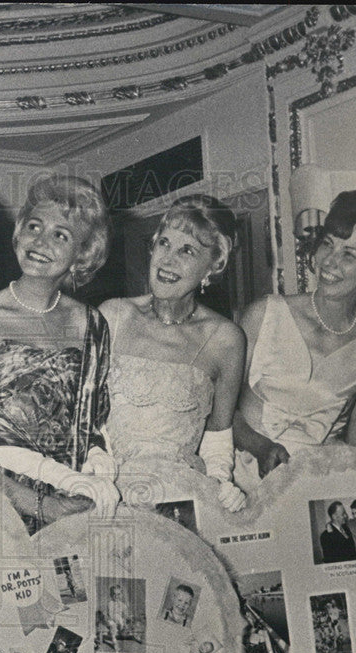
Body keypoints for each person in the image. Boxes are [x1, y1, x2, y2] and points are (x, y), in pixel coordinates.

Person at [0, 173, 120, 533]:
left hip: (75, 506)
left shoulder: (90, 323)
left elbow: (93, 422)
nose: (40, 241)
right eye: (34, 226)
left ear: (83, 252)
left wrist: (97, 460)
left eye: (61, 235)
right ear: (18, 232)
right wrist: (45, 504)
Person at [233, 189, 356, 486]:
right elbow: (217, 409)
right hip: (245, 472)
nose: (330, 262)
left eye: (349, 255)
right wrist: (260, 446)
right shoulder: (263, 314)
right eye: (327, 244)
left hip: (319, 486)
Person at [101, 194, 247, 513]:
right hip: (106, 495)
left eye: (187, 251)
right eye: (164, 243)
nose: (168, 260)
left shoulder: (226, 339)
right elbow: (85, 421)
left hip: (179, 501)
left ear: (213, 266)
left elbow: (218, 435)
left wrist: (221, 482)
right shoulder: (114, 316)